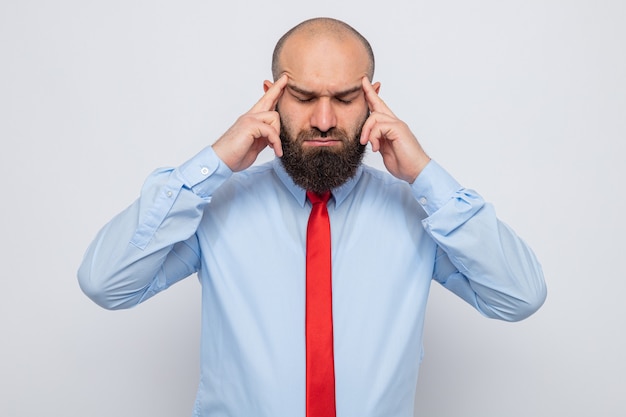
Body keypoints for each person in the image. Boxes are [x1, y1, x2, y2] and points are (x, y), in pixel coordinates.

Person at [78, 17, 547, 417]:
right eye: (303, 97)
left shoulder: (420, 213)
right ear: (272, 97)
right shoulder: (214, 206)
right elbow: (106, 283)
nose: (324, 119)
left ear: (373, 99)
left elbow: (519, 297)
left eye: (344, 98)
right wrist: (214, 162)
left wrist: (426, 176)